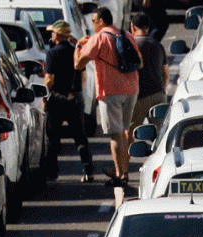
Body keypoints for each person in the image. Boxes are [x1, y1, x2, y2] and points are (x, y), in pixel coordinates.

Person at [75, 8, 137, 186]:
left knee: (115, 134)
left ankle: (120, 175)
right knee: (124, 132)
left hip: (111, 90)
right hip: (131, 88)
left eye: (94, 21)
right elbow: (138, 60)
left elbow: (79, 64)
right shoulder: (126, 35)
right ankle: (124, 170)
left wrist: (80, 46)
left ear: (101, 21)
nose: (93, 24)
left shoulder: (99, 38)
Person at [42, 20, 92, 182]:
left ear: (56, 35)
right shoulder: (76, 51)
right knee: (80, 136)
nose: (51, 35)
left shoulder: (52, 53)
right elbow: (83, 78)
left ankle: (52, 172)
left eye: (52, 32)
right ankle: (87, 169)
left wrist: (45, 95)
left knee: (52, 136)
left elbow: (49, 79)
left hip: (57, 98)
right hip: (75, 98)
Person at [126, 13, 165, 136]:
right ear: (148, 28)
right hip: (158, 94)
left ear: (132, 27)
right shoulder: (158, 45)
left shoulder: (130, 46)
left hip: (138, 96)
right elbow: (166, 74)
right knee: (161, 134)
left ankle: (126, 155)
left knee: (130, 132)